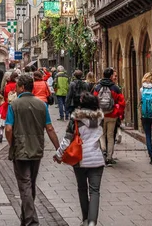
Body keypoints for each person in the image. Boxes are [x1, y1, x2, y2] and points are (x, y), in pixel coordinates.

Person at [5, 74, 60, 226]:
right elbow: (49, 128)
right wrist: (59, 149)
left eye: (17, 86)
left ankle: (31, 221)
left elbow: (8, 128)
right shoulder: (42, 105)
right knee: (30, 184)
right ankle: (25, 217)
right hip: (36, 149)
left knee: (25, 185)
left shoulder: (14, 105)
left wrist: (12, 144)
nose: (15, 88)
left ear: (22, 87)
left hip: (20, 150)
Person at [54, 92, 105, 226]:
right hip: (97, 158)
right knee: (95, 191)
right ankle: (92, 222)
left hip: (80, 159)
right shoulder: (100, 118)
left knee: (82, 189)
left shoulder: (75, 118)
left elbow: (67, 139)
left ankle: (85, 219)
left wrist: (59, 154)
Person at [94, 67, 125, 166]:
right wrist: (117, 112)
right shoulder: (115, 88)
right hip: (112, 115)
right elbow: (122, 102)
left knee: (102, 134)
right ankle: (109, 157)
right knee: (110, 135)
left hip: (101, 114)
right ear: (111, 76)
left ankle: (103, 150)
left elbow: (93, 100)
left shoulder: (98, 87)